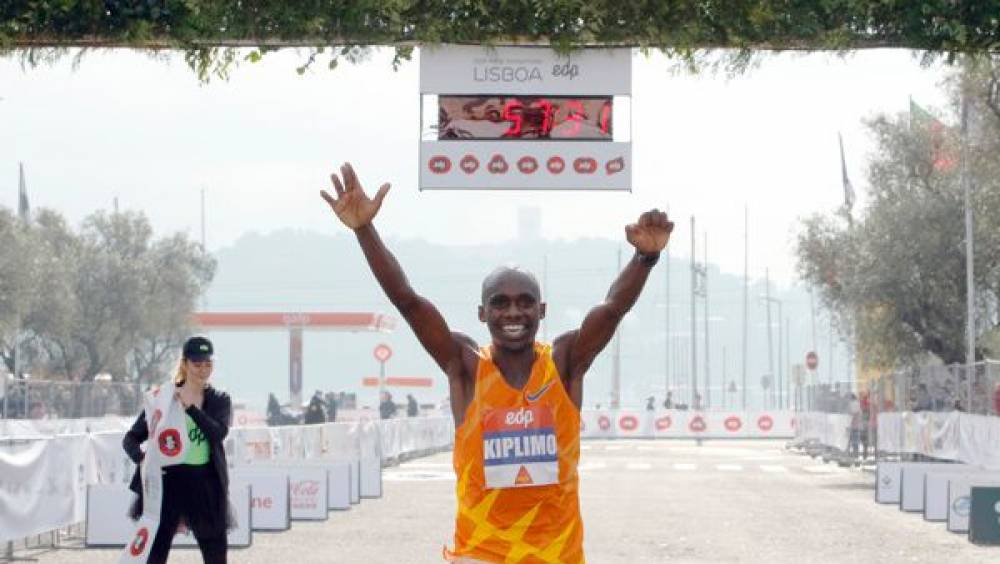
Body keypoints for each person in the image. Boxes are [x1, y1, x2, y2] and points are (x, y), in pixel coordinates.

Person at [321, 162, 672, 563]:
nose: (513, 313)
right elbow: (408, 301)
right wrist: (364, 230)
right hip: (479, 555)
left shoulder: (563, 363)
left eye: (524, 302)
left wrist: (644, 258)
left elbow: (611, 309)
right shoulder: (466, 367)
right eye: (500, 303)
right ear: (482, 314)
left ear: (541, 310)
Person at [122, 336, 233, 564]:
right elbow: (131, 438)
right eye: (197, 364)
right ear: (185, 364)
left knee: (215, 553)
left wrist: (190, 408)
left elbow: (218, 433)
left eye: (208, 364)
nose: (203, 370)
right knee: (156, 552)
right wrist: (142, 459)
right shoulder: (163, 398)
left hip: (205, 483)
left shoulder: (219, 400)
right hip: (168, 484)